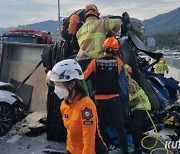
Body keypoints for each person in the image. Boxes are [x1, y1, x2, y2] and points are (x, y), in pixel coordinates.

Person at [46, 59, 107, 154]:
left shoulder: (86, 106)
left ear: (72, 84)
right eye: (55, 84)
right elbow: (70, 134)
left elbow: (89, 143)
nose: (56, 89)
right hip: (71, 150)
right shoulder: (64, 105)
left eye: (59, 84)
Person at [84, 37, 129, 154]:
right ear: (115, 51)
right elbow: (121, 70)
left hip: (99, 101)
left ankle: (102, 151)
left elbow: (84, 77)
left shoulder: (94, 62)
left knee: (100, 128)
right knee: (120, 128)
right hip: (115, 100)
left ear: (103, 48)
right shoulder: (118, 62)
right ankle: (125, 151)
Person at [125, 66, 151, 154]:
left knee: (134, 126)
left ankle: (138, 149)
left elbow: (128, 99)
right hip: (137, 108)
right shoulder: (126, 82)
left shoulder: (130, 83)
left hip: (142, 107)